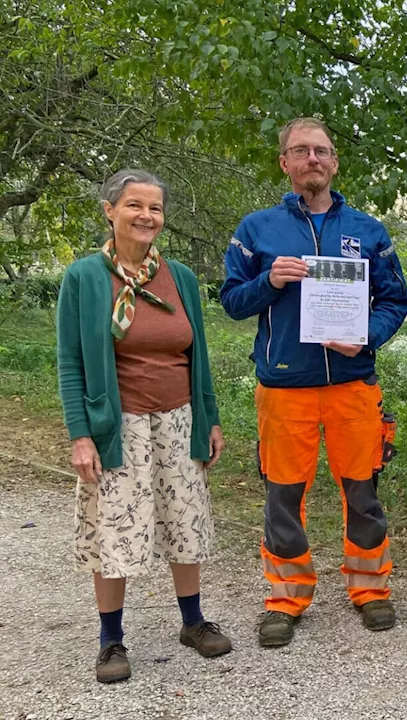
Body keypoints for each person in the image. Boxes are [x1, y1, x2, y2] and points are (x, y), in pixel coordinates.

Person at [221, 117, 407, 647]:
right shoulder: (257, 229)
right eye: (301, 151)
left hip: (353, 384)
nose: (312, 159)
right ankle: (286, 598)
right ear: (284, 162)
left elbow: (397, 300)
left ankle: (370, 589)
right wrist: (268, 280)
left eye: (321, 151)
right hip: (284, 387)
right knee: (283, 497)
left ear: (334, 162)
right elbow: (232, 301)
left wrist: (367, 337)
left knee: (363, 491)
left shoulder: (369, 231)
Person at [57, 169, 230, 683]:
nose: (146, 216)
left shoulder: (181, 278)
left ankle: (193, 622)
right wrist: (80, 434)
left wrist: (210, 418)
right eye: (134, 205)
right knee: (114, 528)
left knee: (185, 521)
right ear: (109, 211)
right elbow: (70, 362)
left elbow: (197, 355)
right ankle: (111, 640)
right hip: (118, 426)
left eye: (155, 208)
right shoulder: (85, 277)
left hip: (179, 419)